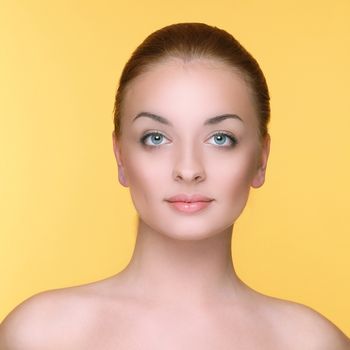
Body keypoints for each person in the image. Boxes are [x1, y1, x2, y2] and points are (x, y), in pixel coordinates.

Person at [0, 22, 349, 349]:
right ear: (121, 156)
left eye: (220, 138)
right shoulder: (39, 335)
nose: (188, 169)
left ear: (261, 158)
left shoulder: (311, 342)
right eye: (155, 138)